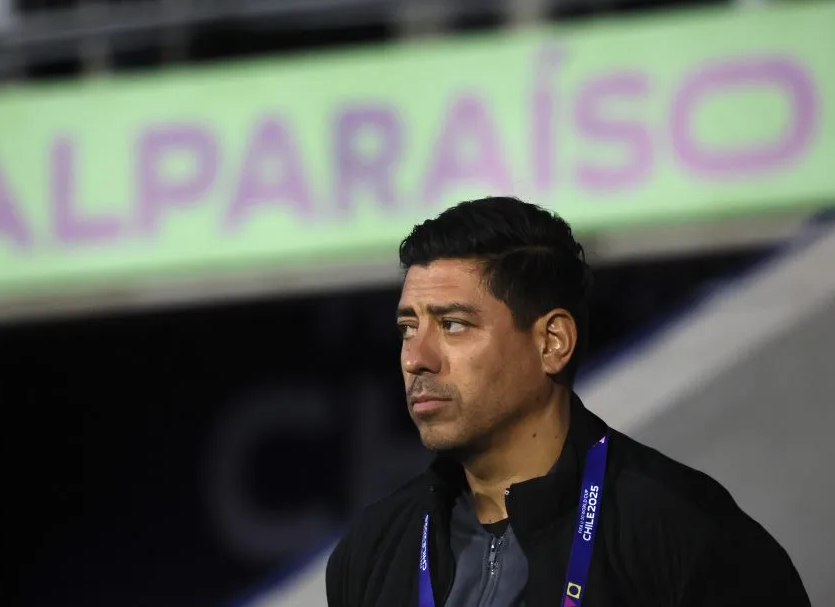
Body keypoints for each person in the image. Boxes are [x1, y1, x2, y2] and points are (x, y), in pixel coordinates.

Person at [325, 196, 810, 606]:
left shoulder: (682, 531)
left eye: (453, 325)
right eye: (408, 328)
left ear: (552, 342)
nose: (417, 358)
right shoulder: (374, 550)